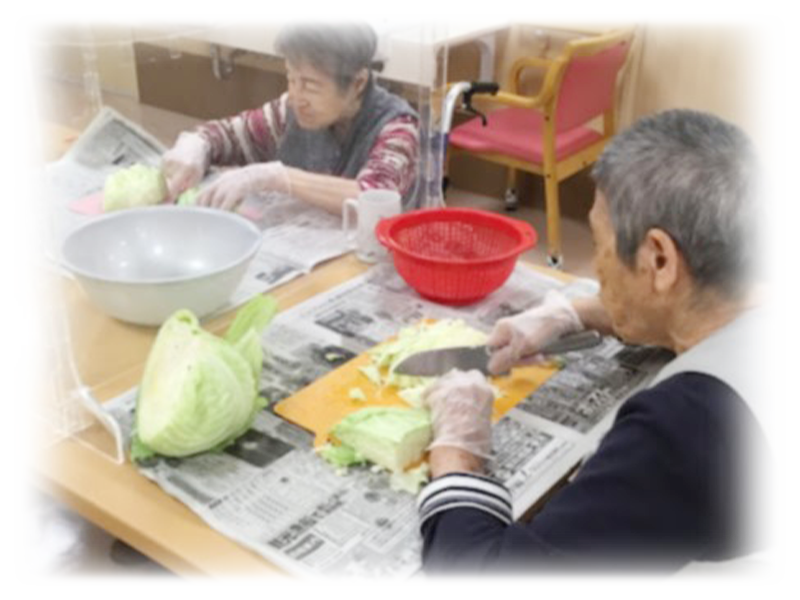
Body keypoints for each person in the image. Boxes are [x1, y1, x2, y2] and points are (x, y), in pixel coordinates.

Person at [418, 109, 783, 585]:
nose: (593, 265)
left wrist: (456, 450)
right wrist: (575, 313)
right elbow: (695, 305)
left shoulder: (686, 426)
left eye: (598, 244)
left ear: (659, 259)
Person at [161, 14, 420, 215]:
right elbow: (230, 135)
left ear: (358, 83)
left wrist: (278, 177)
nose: (296, 96)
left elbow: (373, 197)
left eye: (310, 85)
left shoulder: (397, 128)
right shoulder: (290, 111)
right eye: (290, 79)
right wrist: (198, 145)